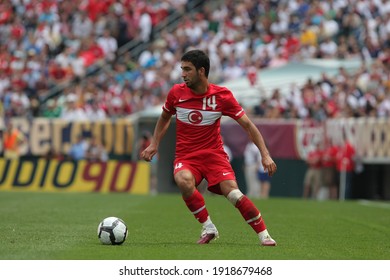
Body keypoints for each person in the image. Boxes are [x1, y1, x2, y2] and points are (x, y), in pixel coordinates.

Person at [141, 49, 277, 246]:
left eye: (187, 69)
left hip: (214, 156)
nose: (183, 74)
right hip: (186, 156)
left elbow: (248, 125)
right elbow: (164, 118)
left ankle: (264, 235)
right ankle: (208, 227)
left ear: (201, 71)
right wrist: (155, 144)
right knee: (183, 180)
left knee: (234, 194)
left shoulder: (222, 96)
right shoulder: (176, 93)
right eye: (182, 69)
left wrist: (265, 155)